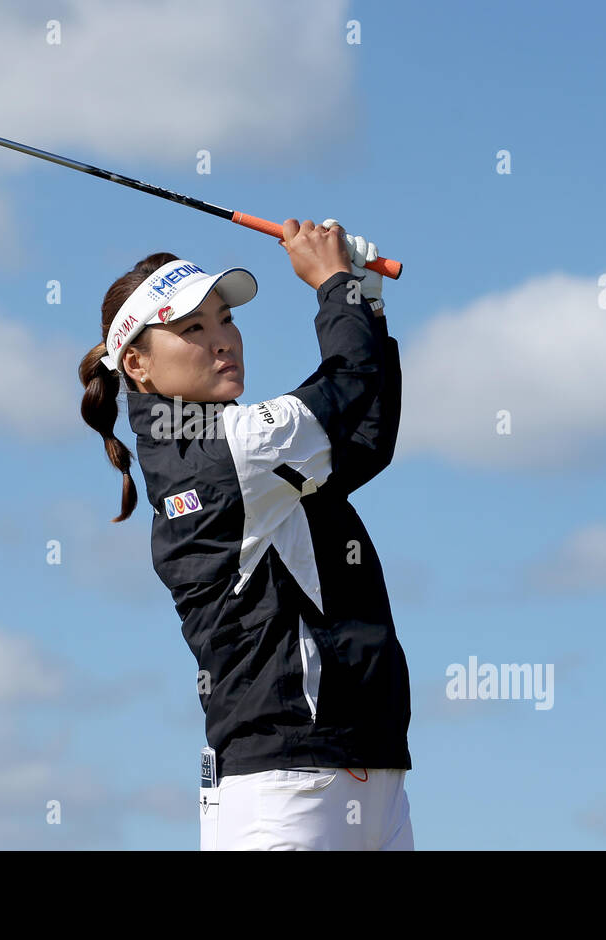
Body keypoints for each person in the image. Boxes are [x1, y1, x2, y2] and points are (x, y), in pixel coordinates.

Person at [78, 218, 412, 850]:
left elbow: (366, 439)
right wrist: (337, 285)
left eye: (225, 320)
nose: (223, 341)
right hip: (282, 790)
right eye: (192, 329)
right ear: (138, 366)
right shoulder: (230, 449)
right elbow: (346, 384)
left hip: (370, 774)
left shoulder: (243, 450)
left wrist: (363, 296)